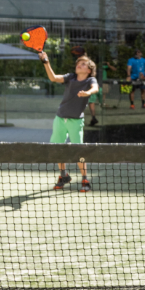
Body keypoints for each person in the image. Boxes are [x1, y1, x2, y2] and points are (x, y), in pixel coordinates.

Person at [39, 51, 98, 191]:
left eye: (83, 64)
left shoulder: (90, 80)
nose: (79, 65)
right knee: (58, 148)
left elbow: (95, 88)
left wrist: (87, 93)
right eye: (78, 63)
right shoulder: (70, 77)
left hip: (76, 121)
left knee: (79, 152)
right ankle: (63, 176)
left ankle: (85, 180)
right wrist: (46, 62)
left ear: (89, 70)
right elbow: (53, 78)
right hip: (60, 118)